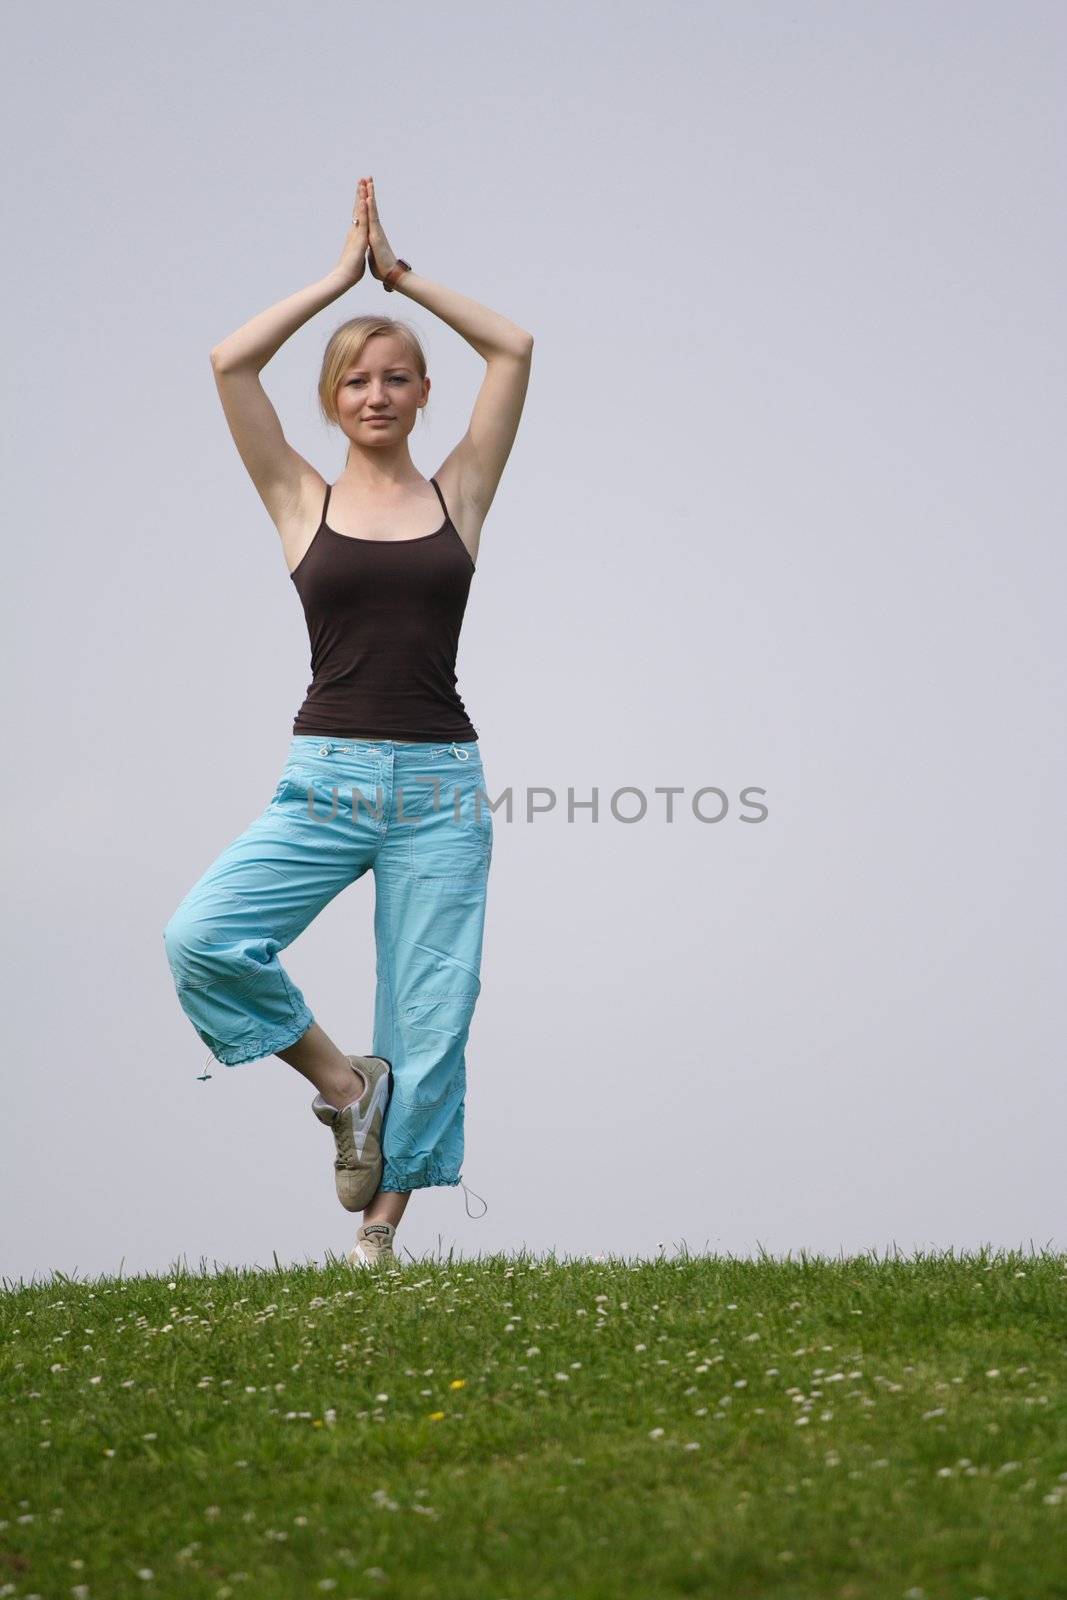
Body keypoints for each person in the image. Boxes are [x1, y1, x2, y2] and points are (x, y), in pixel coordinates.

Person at [163, 176, 533, 1270]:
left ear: (423, 392)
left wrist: (402, 278)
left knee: (431, 1011)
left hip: (439, 787)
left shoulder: (459, 492)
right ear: (331, 398)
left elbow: (511, 348)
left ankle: (377, 1242)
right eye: (355, 379)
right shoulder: (298, 498)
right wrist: (336, 281)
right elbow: (230, 364)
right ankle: (341, 1085)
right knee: (202, 935)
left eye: (396, 377)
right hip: (322, 776)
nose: (375, 393)